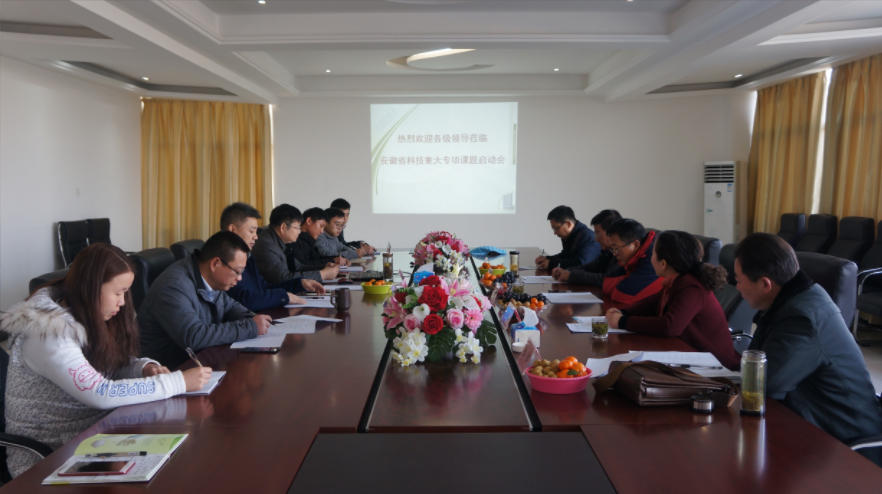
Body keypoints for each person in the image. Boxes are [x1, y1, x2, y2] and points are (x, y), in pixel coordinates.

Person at [0, 244, 212, 477]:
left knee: (182, 458)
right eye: (118, 293)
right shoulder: (48, 333)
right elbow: (100, 392)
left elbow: (110, 363)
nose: (123, 302)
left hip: (94, 435)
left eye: (125, 293)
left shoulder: (83, 312)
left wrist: (143, 368)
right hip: (49, 456)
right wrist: (179, 382)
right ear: (91, 289)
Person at [734, 233, 882, 460]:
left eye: (739, 279)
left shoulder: (802, 317)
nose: (737, 287)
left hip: (845, 444)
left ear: (765, 284)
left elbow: (763, 386)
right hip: (809, 425)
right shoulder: (790, 300)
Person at [605, 230, 740, 370]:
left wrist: (622, 322)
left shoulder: (692, 287)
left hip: (717, 366)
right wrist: (623, 312)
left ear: (663, 263)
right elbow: (652, 303)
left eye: (653, 253)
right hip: (691, 353)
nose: (651, 257)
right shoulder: (677, 281)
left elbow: (670, 326)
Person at [139, 231, 271, 368]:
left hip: (202, 360)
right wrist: (250, 327)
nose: (240, 278)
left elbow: (228, 305)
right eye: (237, 271)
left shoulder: (208, 277)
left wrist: (251, 318)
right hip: (170, 370)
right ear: (215, 263)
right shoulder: (173, 286)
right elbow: (194, 336)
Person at [220, 202, 324, 311]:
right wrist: (284, 297)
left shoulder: (248, 257)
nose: (256, 237)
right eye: (251, 231)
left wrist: (300, 283)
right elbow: (244, 300)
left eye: (256, 232)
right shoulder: (223, 259)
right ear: (232, 229)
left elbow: (264, 287)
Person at [252, 204, 338, 284]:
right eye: (297, 228)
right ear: (283, 227)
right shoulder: (267, 245)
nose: (299, 232)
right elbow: (283, 279)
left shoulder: (279, 241)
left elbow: (297, 267)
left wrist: (323, 267)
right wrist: (322, 274)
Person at [602, 218, 665, 309]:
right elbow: (607, 280)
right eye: (612, 249)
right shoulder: (632, 256)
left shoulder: (653, 256)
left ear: (635, 244)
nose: (614, 254)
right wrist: (624, 279)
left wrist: (624, 279)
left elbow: (621, 295)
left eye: (616, 248)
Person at [552, 209, 622, 285]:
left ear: (611, 232)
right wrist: (567, 271)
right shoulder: (608, 252)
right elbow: (590, 267)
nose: (596, 239)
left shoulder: (622, 253)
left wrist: (571, 276)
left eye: (598, 232)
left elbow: (606, 280)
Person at [535, 205, 601, 270]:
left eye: (556, 228)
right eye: (553, 229)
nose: (555, 233)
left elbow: (581, 263)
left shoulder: (588, 237)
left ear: (568, 224)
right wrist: (547, 258)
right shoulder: (570, 234)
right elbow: (565, 255)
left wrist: (551, 264)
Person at [286, 207, 347, 275]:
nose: (322, 231)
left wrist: (335, 259)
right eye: (321, 226)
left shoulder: (308, 240)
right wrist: (331, 262)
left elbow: (316, 259)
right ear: (309, 221)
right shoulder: (295, 240)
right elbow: (303, 265)